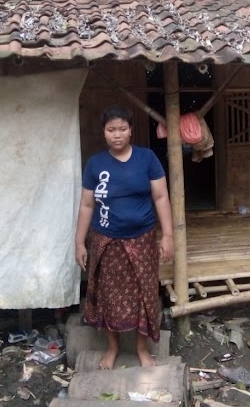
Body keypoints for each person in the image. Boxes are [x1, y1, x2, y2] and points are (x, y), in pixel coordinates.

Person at [74, 105, 174, 369]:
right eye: (111, 130)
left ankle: (142, 349)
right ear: (104, 133)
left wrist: (168, 236)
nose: (117, 135)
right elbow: (87, 205)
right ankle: (113, 347)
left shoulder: (147, 158)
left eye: (122, 129)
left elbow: (161, 197)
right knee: (109, 294)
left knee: (145, 292)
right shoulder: (96, 164)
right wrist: (78, 242)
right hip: (107, 240)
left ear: (131, 130)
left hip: (142, 238)